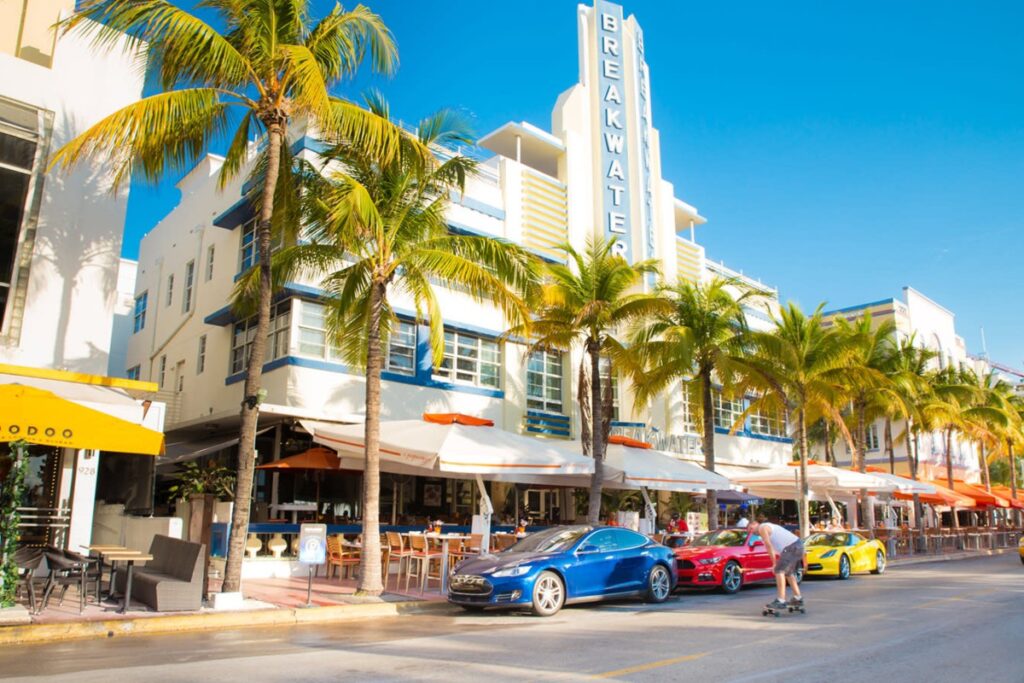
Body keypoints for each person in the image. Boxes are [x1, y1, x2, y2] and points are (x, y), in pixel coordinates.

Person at [748, 518, 804, 611]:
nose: (751, 531)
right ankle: (798, 598)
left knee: (779, 571)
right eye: (749, 531)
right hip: (798, 546)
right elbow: (776, 548)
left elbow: (768, 545)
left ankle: (781, 600)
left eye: (751, 528)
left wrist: (774, 564)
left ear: (755, 524)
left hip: (792, 547)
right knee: (788, 573)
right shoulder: (769, 527)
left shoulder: (762, 527)